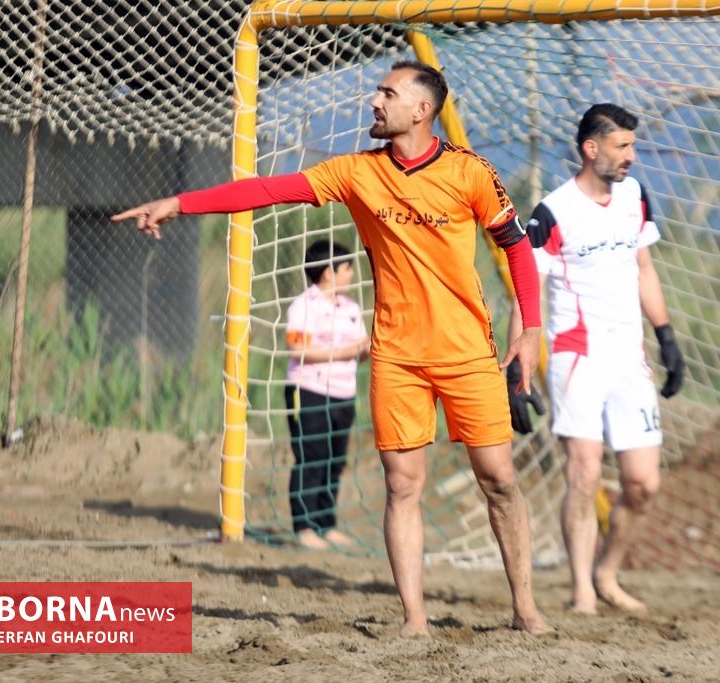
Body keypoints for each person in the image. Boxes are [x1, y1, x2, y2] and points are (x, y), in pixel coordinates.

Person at [113, 61, 550, 636]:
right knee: (402, 485)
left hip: (468, 353)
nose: (374, 101)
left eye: (388, 93)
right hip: (396, 355)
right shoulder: (356, 172)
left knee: (498, 479)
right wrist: (180, 202)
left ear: (422, 110)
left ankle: (526, 611)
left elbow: (516, 248)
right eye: (377, 91)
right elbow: (267, 189)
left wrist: (530, 330)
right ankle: (414, 620)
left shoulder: (470, 171)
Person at [507, 103, 684, 615]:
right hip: (575, 357)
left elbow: (644, 268)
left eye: (633, 145)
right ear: (591, 149)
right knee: (583, 474)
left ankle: (607, 572)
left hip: (630, 358)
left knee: (643, 484)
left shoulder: (635, 196)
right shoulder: (552, 211)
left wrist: (667, 336)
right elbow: (527, 293)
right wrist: (519, 367)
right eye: (622, 146)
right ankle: (582, 590)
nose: (632, 155)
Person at [284, 239, 369, 551]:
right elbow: (297, 349)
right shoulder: (304, 306)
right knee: (311, 458)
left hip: (344, 394)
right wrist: (346, 350)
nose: (351, 274)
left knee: (335, 460)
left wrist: (369, 349)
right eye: (347, 268)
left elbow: (361, 349)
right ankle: (304, 527)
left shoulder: (351, 309)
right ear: (329, 272)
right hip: (309, 391)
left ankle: (326, 524)